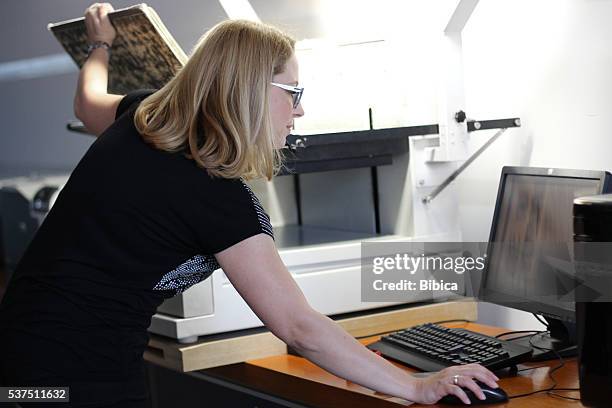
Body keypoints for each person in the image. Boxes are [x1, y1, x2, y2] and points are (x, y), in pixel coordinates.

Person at [0, 3, 499, 406]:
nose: (300, 110)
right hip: (79, 381)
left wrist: (100, 44)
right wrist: (416, 386)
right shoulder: (212, 194)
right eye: (293, 92)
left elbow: (88, 102)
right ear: (249, 89)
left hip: (18, 366)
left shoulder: (145, 114)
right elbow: (300, 329)